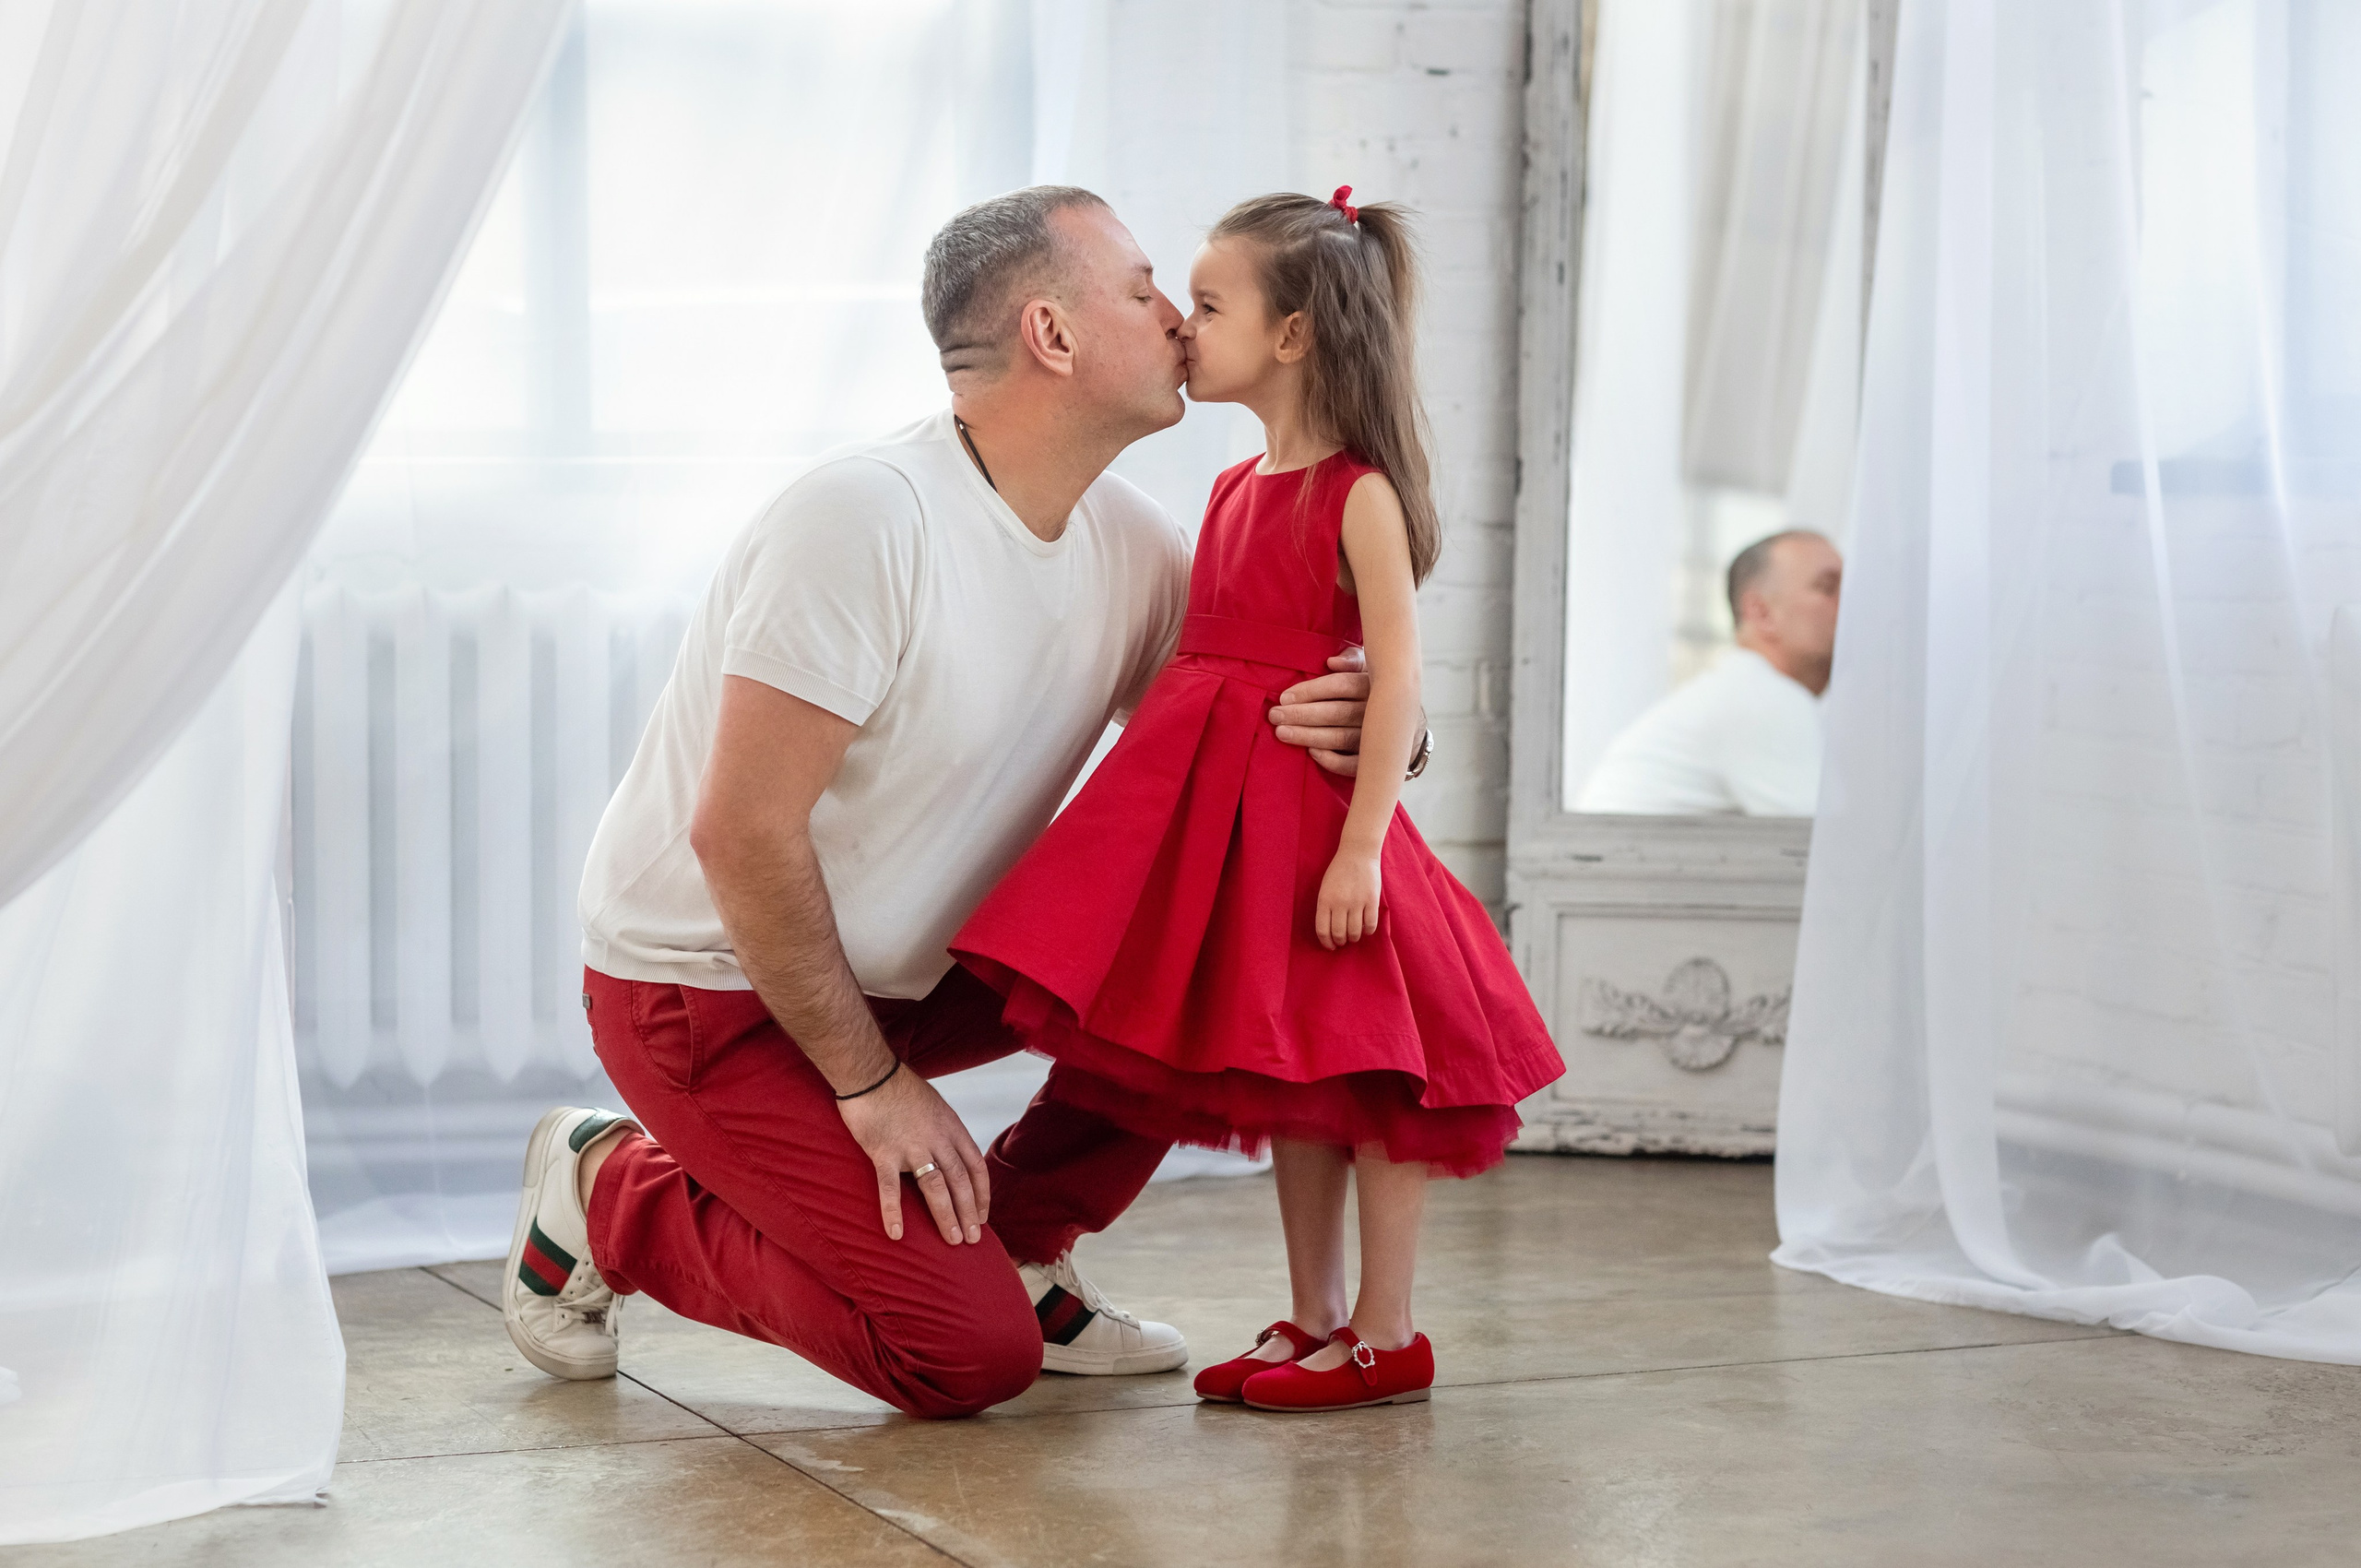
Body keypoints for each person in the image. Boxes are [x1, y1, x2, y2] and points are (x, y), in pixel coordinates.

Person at [498, 186, 1412, 1420]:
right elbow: (741, 835)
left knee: (1204, 933)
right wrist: (871, 1086)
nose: (1174, 317)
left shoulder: (1136, 546)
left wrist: (1378, 728)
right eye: (1143, 288)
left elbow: (1247, 752)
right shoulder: (862, 521)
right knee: (963, 1356)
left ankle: (1020, 1242)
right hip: (712, 992)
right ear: (1052, 334)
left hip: (925, 973)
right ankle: (607, 1188)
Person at [953, 187, 1562, 1415]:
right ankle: (1315, 1317)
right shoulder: (1233, 492)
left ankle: (1388, 1333)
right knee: (1302, 1091)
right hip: (1249, 849)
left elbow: (1398, 675)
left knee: (1377, 1086)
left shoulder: (1357, 494)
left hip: (1325, 840)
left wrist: (1363, 847)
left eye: (1208, 304)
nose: (1182, 325)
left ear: (1291, 336)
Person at [1574, 529, 1842, 816]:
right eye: (1828, 588)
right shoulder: (1761, 698)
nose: (1851, 602)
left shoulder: (1743, 690)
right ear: (1762, 613)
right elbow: (1835, 835)